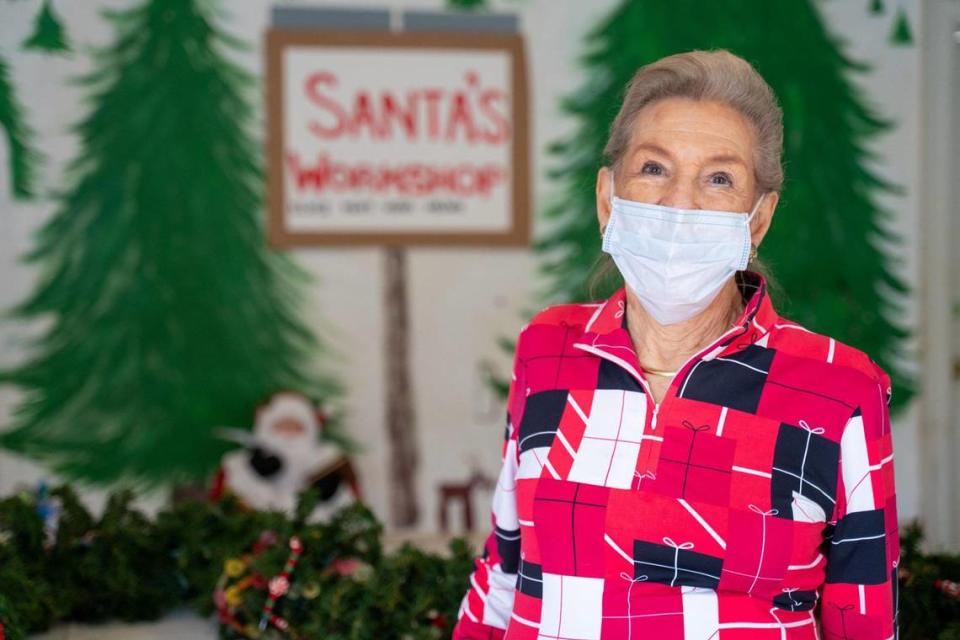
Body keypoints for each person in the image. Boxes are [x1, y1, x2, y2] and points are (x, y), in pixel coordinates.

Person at [451, 50, 899, 640]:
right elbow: (507, 573)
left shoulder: (840, 388)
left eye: (719, 178)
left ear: (758, 218)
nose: (679, 203)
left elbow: (861, 622)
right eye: (655, 169)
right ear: (608, 198)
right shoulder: (548, 348)